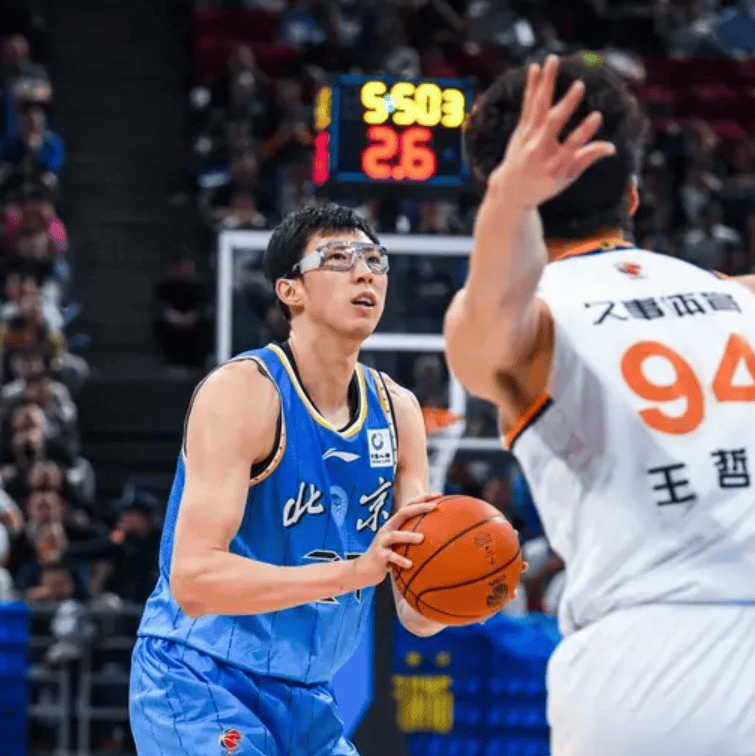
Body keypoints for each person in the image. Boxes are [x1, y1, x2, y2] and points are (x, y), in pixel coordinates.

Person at [446, 53, 755, 755]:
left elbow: (487, 324)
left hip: (647, 675)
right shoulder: (749, 301)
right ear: (632, 195)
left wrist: (510, 202)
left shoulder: (534, 324)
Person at [130, 205, 505, 756]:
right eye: (338, 258)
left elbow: (415, 612)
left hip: (308, 696)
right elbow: (194, 580)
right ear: (290, 290)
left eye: (374, 259)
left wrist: (471, 581)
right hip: (199, 677)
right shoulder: (243, 393)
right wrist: (354, 573)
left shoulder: (398, 411)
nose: (364, 272)